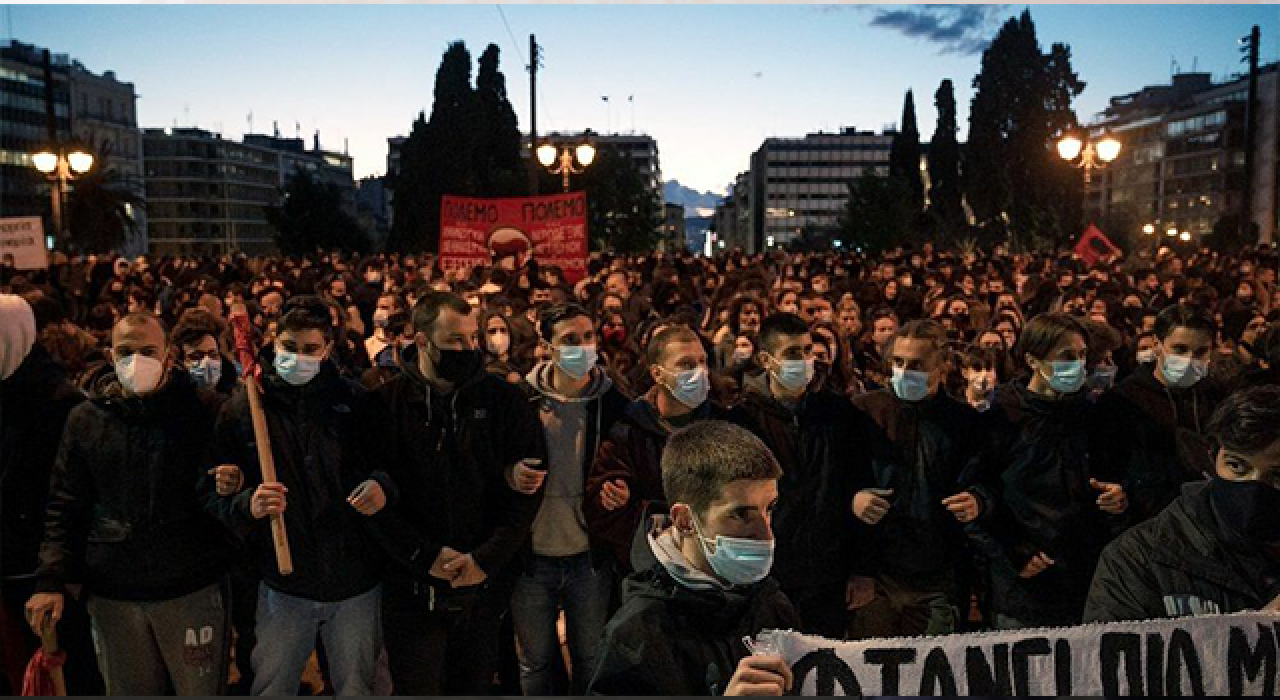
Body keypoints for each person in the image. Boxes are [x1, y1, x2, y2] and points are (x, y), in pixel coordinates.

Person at [25, 312, 230, 695]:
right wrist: (50, 579)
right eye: (126, 352)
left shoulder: (205, 411)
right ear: (110, 354)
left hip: (189, 589)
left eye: (148, 351)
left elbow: (224, 497)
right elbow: (65, 504)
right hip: (114, 594)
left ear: (169, 354)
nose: (137, 362)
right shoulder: (87, 420)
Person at [204, 296, 391, 696]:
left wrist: (381, 486)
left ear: (327, 349)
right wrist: (246, 503)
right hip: (281, 583)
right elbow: (214, 489)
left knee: (358, 686)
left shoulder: (354, 402)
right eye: (290, 347)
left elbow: (390, 466)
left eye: (310, 349)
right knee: (273, 686)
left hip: (353, 579)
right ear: (274, 341)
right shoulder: (245, 409)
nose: (299, 358)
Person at [365, 291, 546, 695]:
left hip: (482, 586)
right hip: (411, 588)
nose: (468, 350)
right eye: (455, 341)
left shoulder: (503, 400)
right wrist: (424, 557)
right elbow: (372, 502)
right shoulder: (384, 406)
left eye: (472, 339)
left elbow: (527, 493)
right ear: (423, 341)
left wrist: (486, 559)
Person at [587, 420, 800, 696]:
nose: (765, 533)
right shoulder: (636, 636)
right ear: (685, 520)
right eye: (740, 514)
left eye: (769, 509)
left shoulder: (771, 602)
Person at [972, 312, 1128, 629]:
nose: (1078, 365)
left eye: (1082, 355)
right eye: (1067, 357)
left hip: (1081, 577)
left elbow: (1109, 479)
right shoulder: (1000, 415)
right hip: (1021, 582)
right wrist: (1013, 552)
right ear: (1033, 360)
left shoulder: (1090, 414)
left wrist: (1120, 497)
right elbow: (978, 495)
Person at [1085, 386, 1280, 622]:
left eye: (1277, 476)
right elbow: (1116, 655)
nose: (1254, 487)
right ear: (1213, 457)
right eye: (1237, 466)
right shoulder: (1139, 560)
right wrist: (1261, 630)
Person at [510, 303, 628, 695]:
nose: (582, 347)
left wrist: (620, 488)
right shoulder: (521, 400)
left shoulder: (613, 403)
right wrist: (509, 474)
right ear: (548, 345)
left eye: (588, 337)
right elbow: (494, 459)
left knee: (591, 660)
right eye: (570, 340)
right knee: (535, 662)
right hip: (533, 556)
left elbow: (630, 464)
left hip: (589, 557)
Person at [847, 321, 985, 639]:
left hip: (939, 576)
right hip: (877, 575)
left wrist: (979, 500)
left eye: (917, 365)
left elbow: (983, 480)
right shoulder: (864, 413)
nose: (905, 371)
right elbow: (839, 480)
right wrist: (853, 500)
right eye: (899, 363)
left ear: (942, 366)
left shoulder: (964, 423)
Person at [725, 312, 859, 638]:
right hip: (768, 575)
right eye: (792, 354)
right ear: (766, 360)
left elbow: (853, 488)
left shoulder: (837, 415)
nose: (803, 361)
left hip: (828, 574)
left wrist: (861, 570)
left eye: (807, 351)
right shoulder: (742, 421)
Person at [0, 295, 102, 696]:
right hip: (8, 565)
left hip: (44, 573)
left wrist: (54, 574)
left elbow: (70, 498)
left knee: (64, 673)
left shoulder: (61, 406)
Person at [585, 325, 721, 573]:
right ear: (658, 374)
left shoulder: (724, 425)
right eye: (686, 365)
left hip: (714, 564)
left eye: (703, 362)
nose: (700, 372)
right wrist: (617, 499)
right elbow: (602, 508)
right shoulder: (629, 431)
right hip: (650, 568)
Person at [1096, 304, 1227, 523]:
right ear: (1158, 345)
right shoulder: (1122, 401)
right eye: (1180, 349)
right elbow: (1108, 469)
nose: (1189, 359)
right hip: (1147, 523)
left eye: (1201, 351)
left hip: (1210, 521)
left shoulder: (1218, 397)